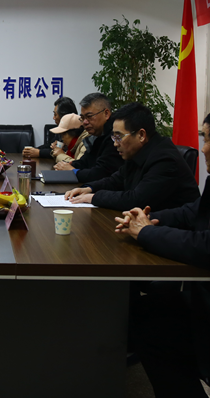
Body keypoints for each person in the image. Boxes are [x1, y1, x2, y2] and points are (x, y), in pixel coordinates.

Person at [113, 112, 210, 398]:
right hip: (199, 292)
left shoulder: (163, 157)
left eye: (208, 139)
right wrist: (147, 220)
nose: (204, 148)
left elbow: (205, 246)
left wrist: (146, 232)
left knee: (153, 322)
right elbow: (191, 212)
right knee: (145, 314)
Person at [64, 102, 199, 211]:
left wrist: (93, 197)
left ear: (141, 135)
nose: (115, 144)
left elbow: (136, 200)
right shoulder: (137, 152)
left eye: (119, 137)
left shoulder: (165, 159)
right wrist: (88, 188)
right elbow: (115, 180)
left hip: (174, 231)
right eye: (113, 137)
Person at [54, 92, 124, 182]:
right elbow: (85, 161)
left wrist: (72, 171)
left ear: (106, 114)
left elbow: (100, 173)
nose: (85, 122)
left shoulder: (114, 137)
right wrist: (69, 165)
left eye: (89, 116)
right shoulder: (97, 135)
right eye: (82, 118)